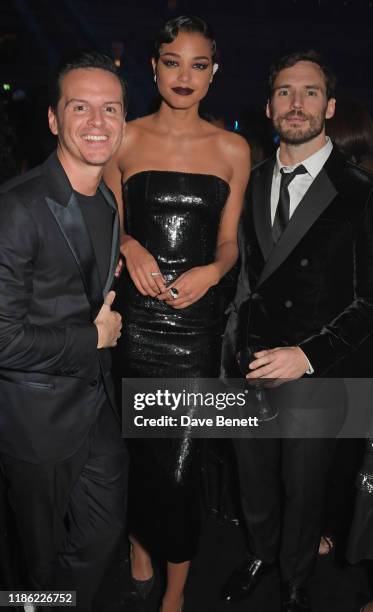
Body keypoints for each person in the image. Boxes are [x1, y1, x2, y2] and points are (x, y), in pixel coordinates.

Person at [104, 15, 250, 612]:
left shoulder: (232, 147)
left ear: (214, 73)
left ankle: (177, 591)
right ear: (153, 67)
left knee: (183, 464)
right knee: (137, 452)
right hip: (136, 325)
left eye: (198, 64)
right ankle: (140, 544)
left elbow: (230, 242)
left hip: (195, 329)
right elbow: (105, 223)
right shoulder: (125, 138)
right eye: (172, 62)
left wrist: (213, 272)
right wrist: (129, 244)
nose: (184, 76)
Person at [221, 50, 373, 611]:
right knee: (252, 481)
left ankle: (295, 577)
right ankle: (260, 553)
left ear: (330, 107)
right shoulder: (252, 179)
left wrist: (305, 356)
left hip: (315, 371)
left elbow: (368, 301)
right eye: (285, 92)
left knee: (303, 491)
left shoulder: (360, 190)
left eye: (310, 92)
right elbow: (238, 272)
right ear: (268, 106)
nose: (297, 103)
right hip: (249, 368)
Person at [0, 51, 128, 611]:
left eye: (110, 109)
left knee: (102, 534)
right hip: (34, 422)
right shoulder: (18, 208)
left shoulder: (105, 197)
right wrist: (91, 339)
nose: (97, 122)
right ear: (54, 119)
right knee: (36, 559)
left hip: (93, 404)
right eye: (81, 107)